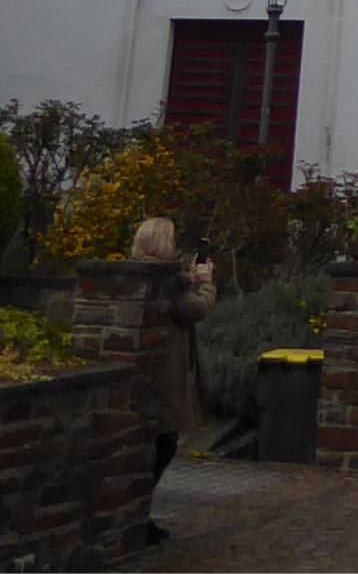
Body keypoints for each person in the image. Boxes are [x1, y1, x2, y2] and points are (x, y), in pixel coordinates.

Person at [127, 216, 216, 546]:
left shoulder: (143, 275)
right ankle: (139, 515)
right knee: (162, 443)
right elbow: (196, 308)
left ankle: (139, 513)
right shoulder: (166, 282)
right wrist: (205, 282)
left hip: (150, 372)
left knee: (156, 443)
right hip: (165, 373)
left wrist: (188, 278)